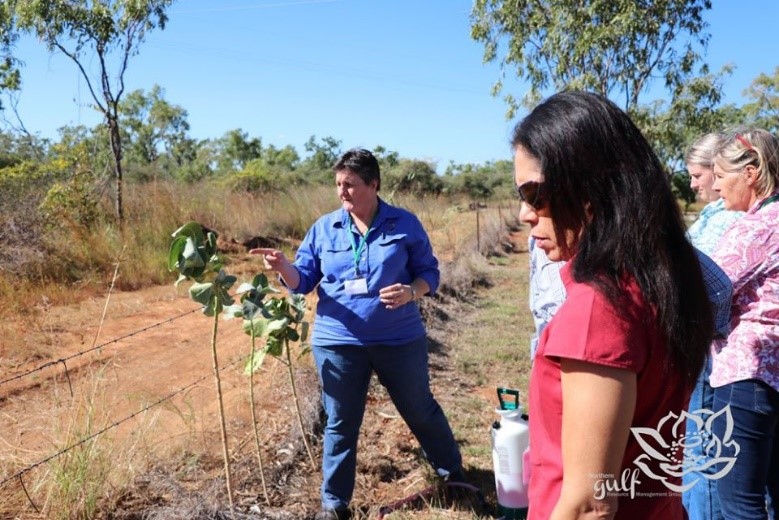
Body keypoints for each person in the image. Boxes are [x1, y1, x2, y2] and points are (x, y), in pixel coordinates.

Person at [512, 91, 714, 520]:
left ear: (589, 190)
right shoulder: (659, 280)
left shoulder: (597, 311)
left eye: (535, 194)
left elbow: (589, 504)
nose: (525, 214)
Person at [251, 148, 464, 520]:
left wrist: (412, 292)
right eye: (338, 185)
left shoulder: (404, 224)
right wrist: (283, 266)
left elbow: (429, 273)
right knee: (340, 421)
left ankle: (455, 478)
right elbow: (303, 283)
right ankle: (334, 504)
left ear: (373, 184)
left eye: (349, 184)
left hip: (399, 339)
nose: (342, 192)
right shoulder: (324, 228)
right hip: (337, 343)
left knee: (419, 408)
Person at [708, 129, 779, 520]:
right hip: (773, 376)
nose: (716, 185)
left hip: (745, 377)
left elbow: (708, 291)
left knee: (739, 504)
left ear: (750, 174)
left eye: (721, 174)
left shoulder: (753, 229)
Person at [682, 132, 742, 520]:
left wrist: (709, 331)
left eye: (699, 175)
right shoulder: (710, 216)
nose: (696, 184)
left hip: (710, 348)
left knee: (703, 449)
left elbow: (720, 287)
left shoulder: (729, 220)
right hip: (700, 344)